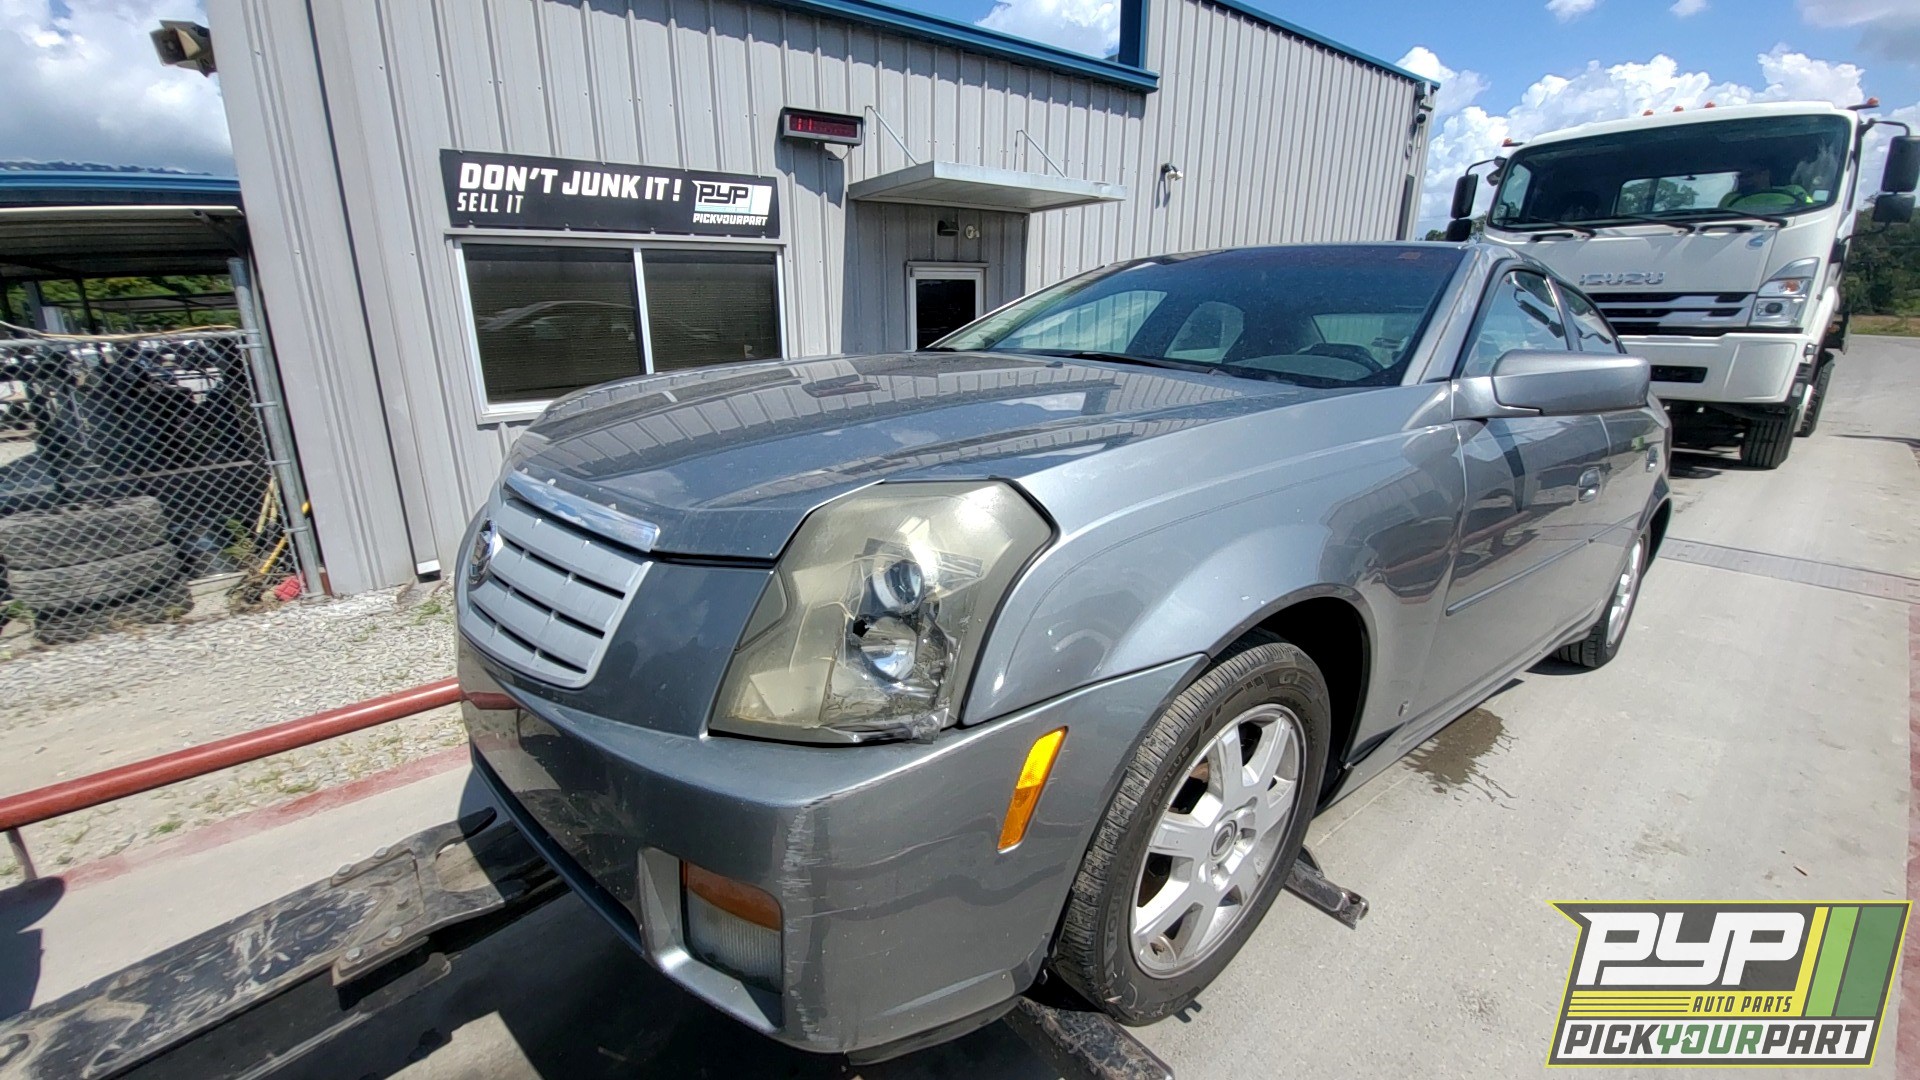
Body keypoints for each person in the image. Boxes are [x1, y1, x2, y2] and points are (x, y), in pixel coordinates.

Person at [1720, 166, 1812, 212]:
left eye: (1749, 175)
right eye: (1741, 177)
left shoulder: (1794, 191)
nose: (1744, 180)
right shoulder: (1730, 199)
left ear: (1765, 175)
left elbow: (1812, 211)